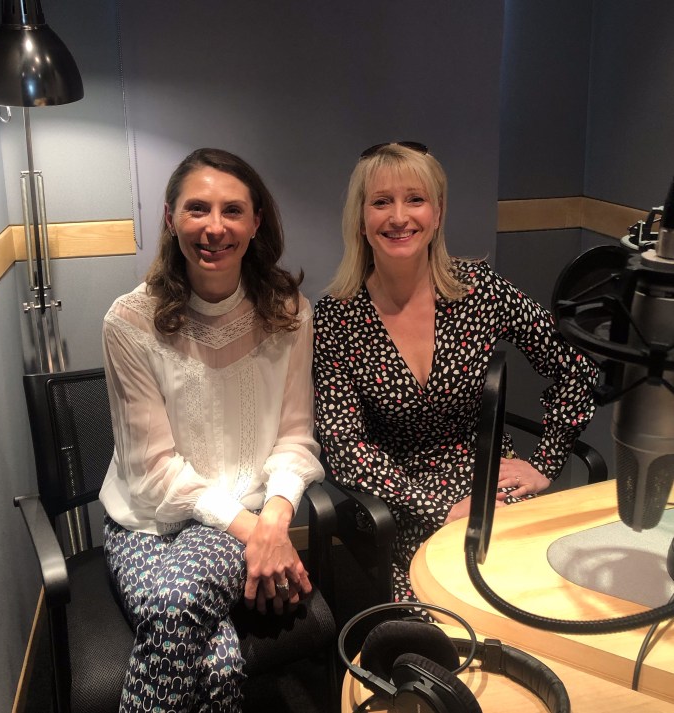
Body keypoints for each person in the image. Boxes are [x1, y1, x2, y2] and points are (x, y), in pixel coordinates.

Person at [313, 142, 598, 602]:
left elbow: (575, 365)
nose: (399, 217)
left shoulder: (480, 289)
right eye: (382, 202)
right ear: (361, 219)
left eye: (415, 199)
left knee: (539, 590)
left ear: (438, 212)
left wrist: (545, 461)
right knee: (443, 607)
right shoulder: (336, 316)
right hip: (397, 494)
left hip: (486, 479)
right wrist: (438, 507)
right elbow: (344, 444)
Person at [99, 147, 323, 712]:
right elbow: (153, 472)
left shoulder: (290, 312)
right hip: (145, 524)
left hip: (236, 522)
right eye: (197, 209)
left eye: (233, 210)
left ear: (256, 223)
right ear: (170, 219)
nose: (214, 227)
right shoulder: (129, 322)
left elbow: (295, 438)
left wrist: (274, 523)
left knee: (175, 608)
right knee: (217, 662)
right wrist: (261, 536)